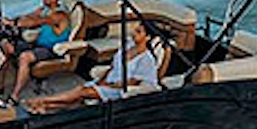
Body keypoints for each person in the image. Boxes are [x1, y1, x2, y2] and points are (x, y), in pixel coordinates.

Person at [26, 19, 159, 114]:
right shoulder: (128, 46)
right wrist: (102, 80)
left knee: (82, 92)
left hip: (121, 90)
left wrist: (108, 85)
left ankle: (42, 100)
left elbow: (131, 82)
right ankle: (46, 107)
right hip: (109, 81)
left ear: (147, 37)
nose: (134, 33)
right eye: (136, 30)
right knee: (80, 94)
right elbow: (113, 66)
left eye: (139, 32)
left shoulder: (146, 59)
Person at [0, 0, 72, 104]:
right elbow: (29, 17)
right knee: (7, 47)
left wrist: (14, 23)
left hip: (53, 49)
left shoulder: (60, 15)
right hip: (38, 45)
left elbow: (35, 22)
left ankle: (14, 96)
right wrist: (5, 22)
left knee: (25, 57)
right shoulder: (44, 9)